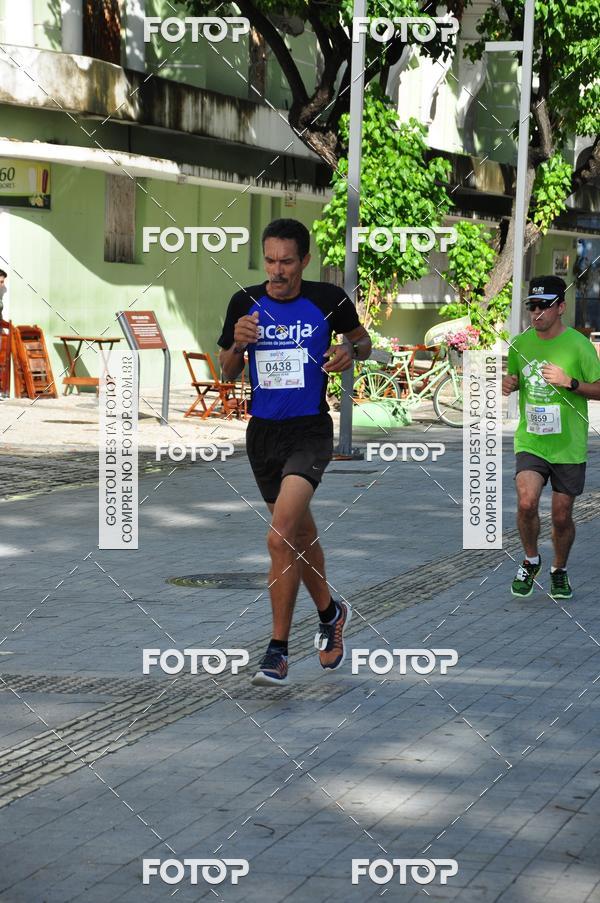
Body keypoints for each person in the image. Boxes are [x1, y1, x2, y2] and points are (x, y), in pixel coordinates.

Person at [218, 218, 371, 685]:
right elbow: (225, 371)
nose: (277, 270)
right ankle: (330, 612)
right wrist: (237, 346)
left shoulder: (328, 300)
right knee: (298, 535)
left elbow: (362, 340)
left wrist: (351, 352)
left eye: (286, 261)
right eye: (269, 260)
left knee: (279, 536)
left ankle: (277, 649)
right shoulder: (244, 301)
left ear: (304, 260)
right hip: (262, 434)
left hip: (309, 431)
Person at [502, 275, 600, 600]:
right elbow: (515, 377)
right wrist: (509, 384)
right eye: (533, 306)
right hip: (531, 440)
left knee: (561, 516)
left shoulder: (579, 345)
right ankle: (531, 560)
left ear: (561, 307)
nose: (537, 313)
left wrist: (570, 382)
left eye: (544, 306)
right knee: (527, 502)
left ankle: (559, 568)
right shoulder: (520, 343)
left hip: (568, 446)